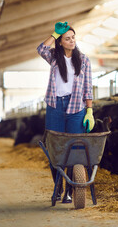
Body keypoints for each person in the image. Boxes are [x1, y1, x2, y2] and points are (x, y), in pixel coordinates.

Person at [37, 21, 95, 203]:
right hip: (55, 106)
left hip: (76, 108)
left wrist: (89, 111)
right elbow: (40, 49)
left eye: (73, 38)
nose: (72, 41)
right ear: (60, 42)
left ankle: (70, 191)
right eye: (67, 38)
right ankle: (58, 188)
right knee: (55, 149)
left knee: (75, 150)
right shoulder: (54, 57)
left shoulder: (84, 60)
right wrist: (55, 33)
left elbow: (88, 88)